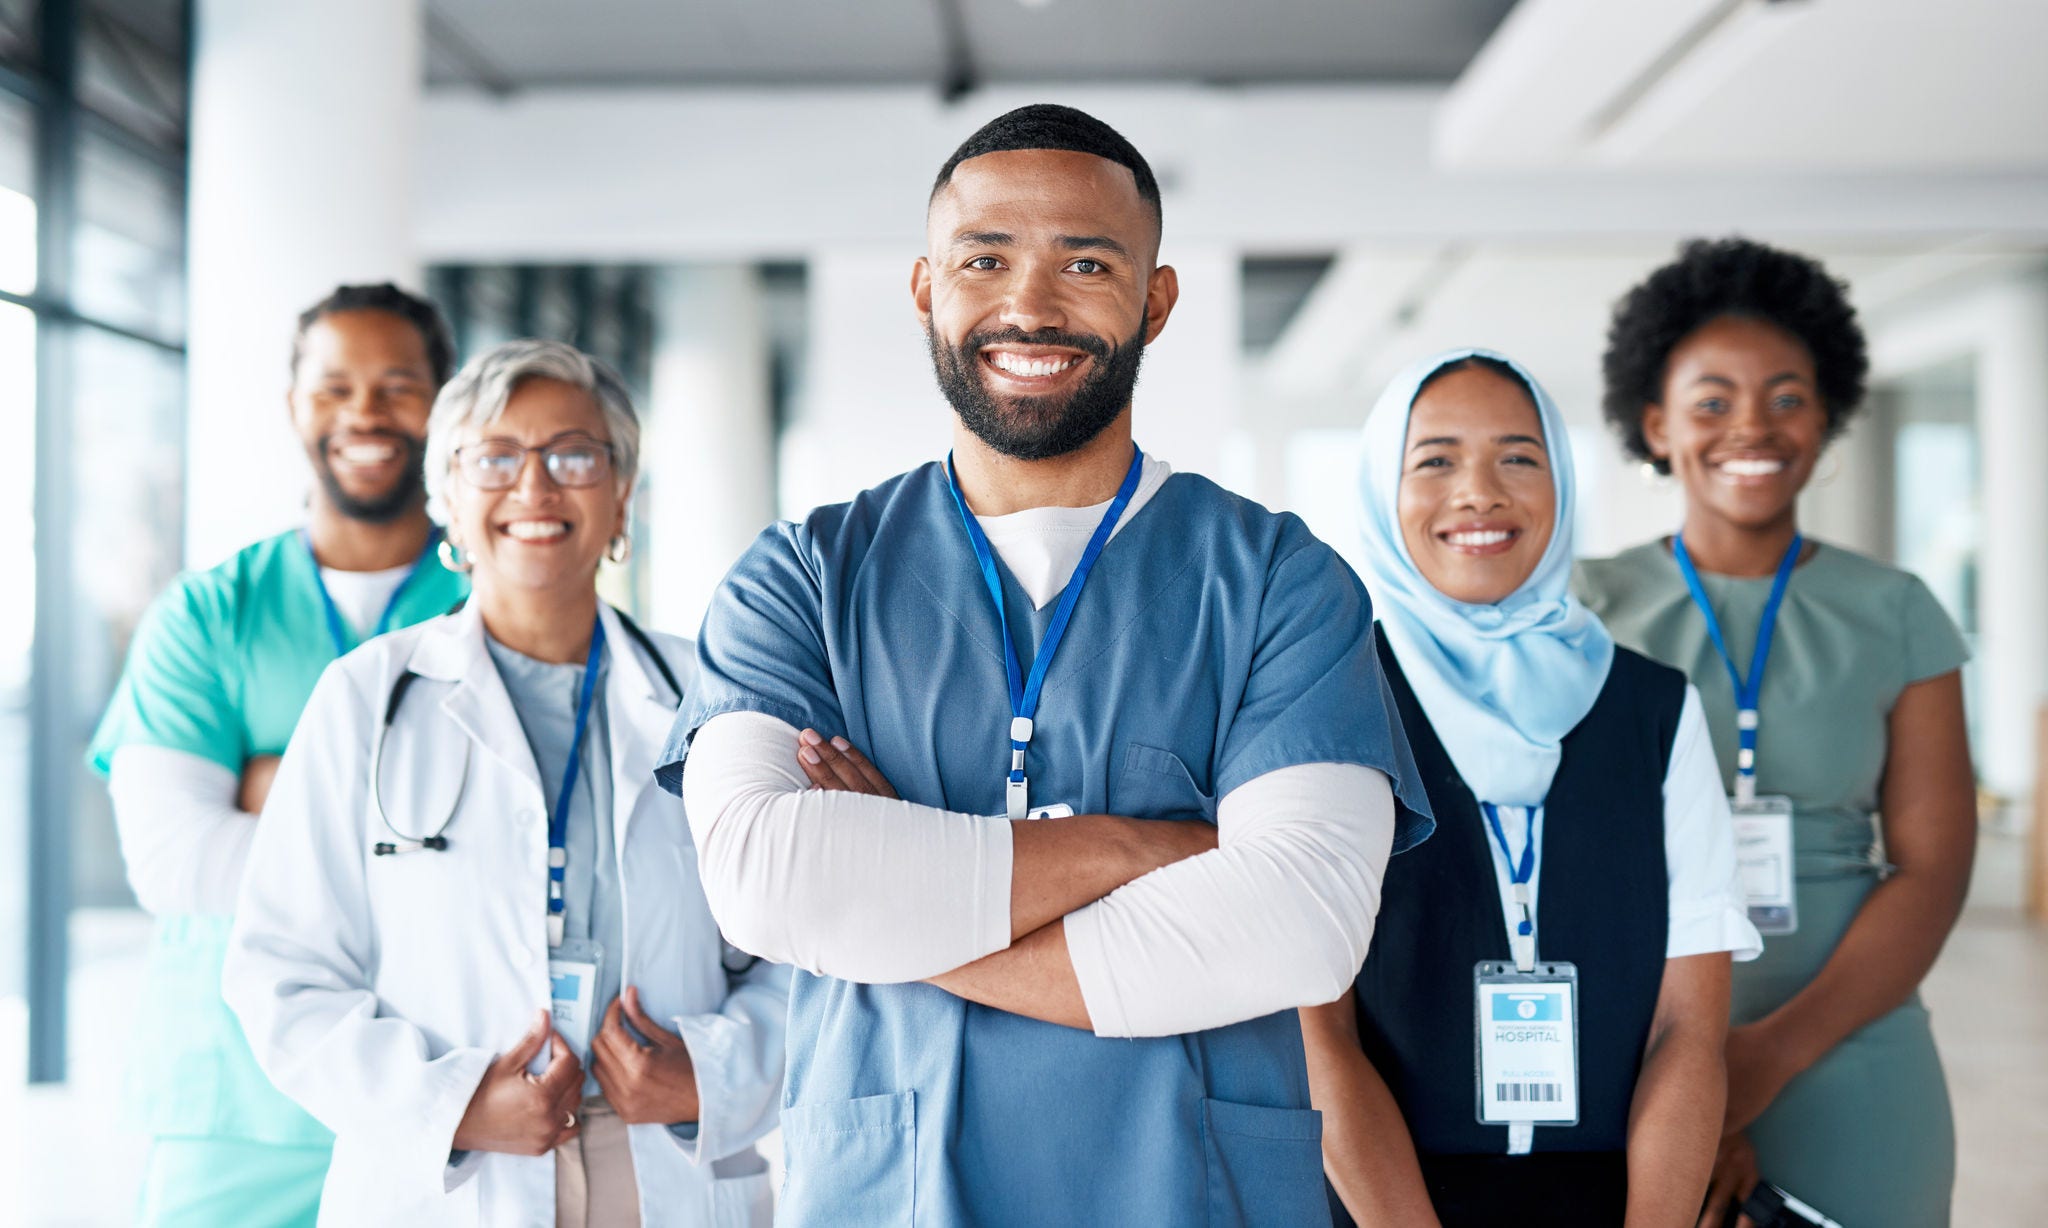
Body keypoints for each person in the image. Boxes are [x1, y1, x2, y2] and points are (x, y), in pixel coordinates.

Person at [658, 103, 1432, 1226]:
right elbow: (767, 882)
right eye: (984, 259)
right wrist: (1146, 847)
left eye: (1084, 260)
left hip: (1190, 1189)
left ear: (1155, 301)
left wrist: (889, 912)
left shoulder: (1277, 578)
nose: (1029, 304)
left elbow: (1300, 923)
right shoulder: (804, 579)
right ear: (925, 287)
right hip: (892, 1190)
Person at [223, 339, 789, 1228]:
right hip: (454, 1175)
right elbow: (280, 973)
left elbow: (802, 948)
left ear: (622, 493)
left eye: (573, 454)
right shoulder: (365, 699)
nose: (534, 487)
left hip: (663, 1159)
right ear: (445, 496)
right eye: (493, 458)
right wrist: (446, 1106)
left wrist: (709, 1078)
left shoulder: (715, 697)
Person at [1301, 349, 1759, 1227]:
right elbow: (1317, 1036)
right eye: (1434, 459)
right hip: (1381, 1198)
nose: (1480, 491)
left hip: (1619, 1196)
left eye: (1519, 455)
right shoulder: (1329, 701)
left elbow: (1687, 1031)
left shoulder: (1657, 708)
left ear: (1564, 480)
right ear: (1379, 491)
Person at [1575, 238, 1975, 1228]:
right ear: (1654, 424)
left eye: (1785, 396)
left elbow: (1930, 870)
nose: (1749, 425)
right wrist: (1693, 1074)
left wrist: (1765, 1055)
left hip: (1852, 1042)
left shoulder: (1895, 610)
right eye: (1709, 401)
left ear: (1826, 415)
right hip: (1640, 1037)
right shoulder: (1586, 607)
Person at [88, 283, 470, 1226]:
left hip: (444, 1088)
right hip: (236, 1109)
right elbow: (174, 864)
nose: (365, 414)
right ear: (293, 406)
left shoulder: (490, 606)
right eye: (333, 387)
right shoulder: (208, 614)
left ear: (446, 400)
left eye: (397, 384)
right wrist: (416, 836)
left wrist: (277, 790)